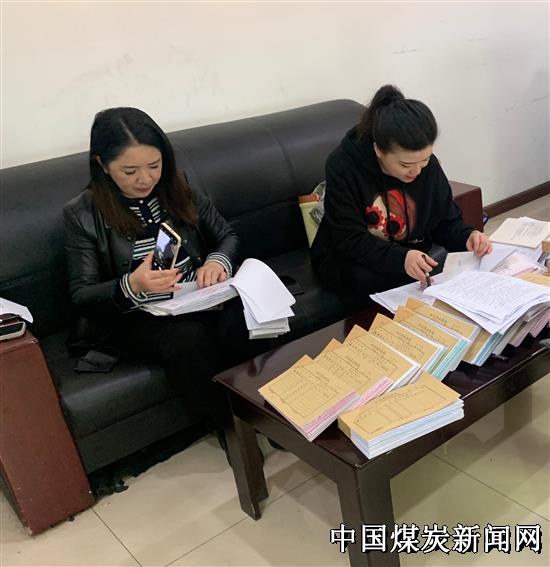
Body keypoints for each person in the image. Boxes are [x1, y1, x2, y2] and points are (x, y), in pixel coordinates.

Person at [63, 107, 257, 448]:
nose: (145, 179)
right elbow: (82, 294)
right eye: (129, 171)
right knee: (188, 340)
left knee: (244, 316)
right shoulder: (82, 214)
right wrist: (131, 285)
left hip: (196, 294)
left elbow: (227, 235)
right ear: (102, 165)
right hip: (138, 315)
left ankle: (262, 411)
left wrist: (217, 262)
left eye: (154, 165)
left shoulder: (176, 186)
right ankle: (230, 428)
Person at [311, 85, 492, 298]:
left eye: (424, 160)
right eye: (405, 165)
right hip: (351, 258)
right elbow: (349, 238)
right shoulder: (343, 166)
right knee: (367, 279)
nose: (416, 171)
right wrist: (401, 258)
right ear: (379, 150)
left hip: (408, 253)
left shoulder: (427, 167)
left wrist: (467, 236)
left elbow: (445, 220)